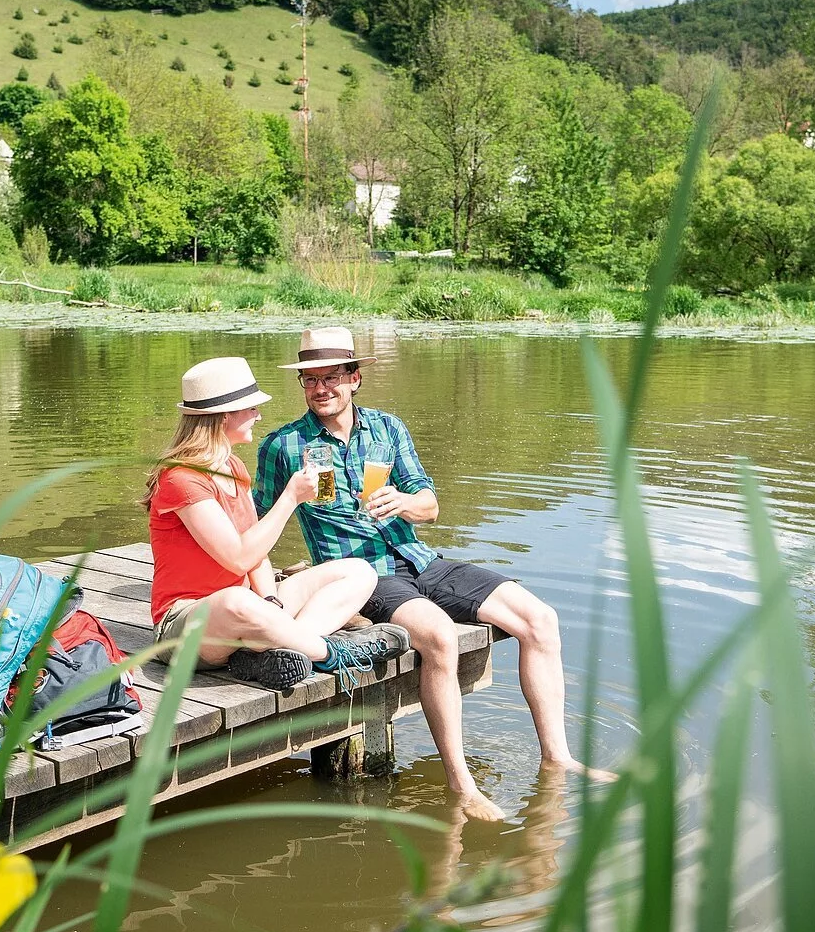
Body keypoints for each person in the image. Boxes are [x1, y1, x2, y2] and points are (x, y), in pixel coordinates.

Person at [254, 328, 597, 821]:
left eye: (332, 377)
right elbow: (256, 525)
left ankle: (558, 759)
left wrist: (403, 503)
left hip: (418, 557)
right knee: (439, 635)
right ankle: (462, 784)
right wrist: (269, 594)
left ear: (355, 379)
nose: (321, 388)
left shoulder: (387, 429)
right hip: (362, 576)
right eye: (310, 379)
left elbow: (430, 504)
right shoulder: (284, 445)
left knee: (540, 619)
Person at [147, 355, 408, 691]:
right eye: (251, 408)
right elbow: (238, 557)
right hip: (187, 623)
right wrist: (290, 498)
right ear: (225, 415)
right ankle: (330, 652)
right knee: (234, 602)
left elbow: (255, 551)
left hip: (248, 607)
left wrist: (271, 602)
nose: (259, 415)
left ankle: (277, 648)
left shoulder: (233, 467)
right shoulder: (181, 478)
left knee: (358, 571)